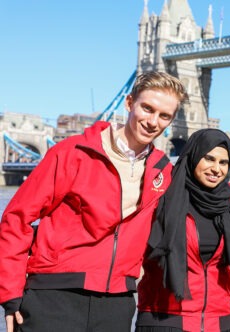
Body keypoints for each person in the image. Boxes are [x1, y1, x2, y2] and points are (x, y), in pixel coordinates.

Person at [0, 71, 188, 331]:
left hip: (116, 302)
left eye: (164, 115)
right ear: (129, 102)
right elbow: (16, 218)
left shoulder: (164, 172)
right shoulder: (72, 153)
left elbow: (201, 196)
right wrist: (10, 293)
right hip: (54, 294)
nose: (153, 121)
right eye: (147, 108)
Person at [135, 128, 230, 331]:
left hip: (218, 322)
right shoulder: (162, 198)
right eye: (209, 159)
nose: (216, 169)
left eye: (223, 163)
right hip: (165, 320)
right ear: (193, 155)